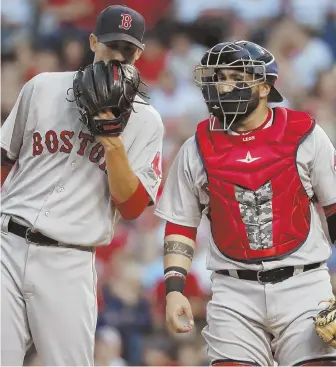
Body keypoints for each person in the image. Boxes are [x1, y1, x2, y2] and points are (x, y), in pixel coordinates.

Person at [154, 40, 336, 366]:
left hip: (305, 285)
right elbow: (181, 223)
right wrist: (175, 289)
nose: (223, 85)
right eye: (218, 76)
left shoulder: (305, 133)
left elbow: (334, 208)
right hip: (234, 292)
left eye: (236, 77)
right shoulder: (196, 147)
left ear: (264, 87)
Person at [1, 4, 164, 366]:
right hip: (7, 246)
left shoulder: (146, 121)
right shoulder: (43, 87)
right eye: (111, 47)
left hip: (68, 258)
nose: (118, 58)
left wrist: (112, 142)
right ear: (93, 42)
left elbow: (133, 207)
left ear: (138, 53)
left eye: (127, 50)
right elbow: (4, 158)